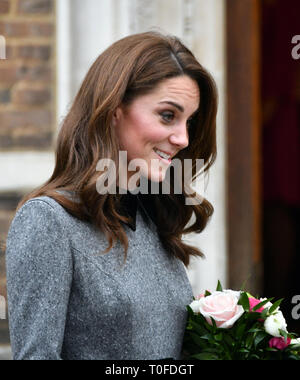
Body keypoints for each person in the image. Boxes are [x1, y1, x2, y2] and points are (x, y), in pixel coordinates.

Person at [5, 31, 218, 360]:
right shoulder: (48, 221)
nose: (183, 138)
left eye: (189, 121)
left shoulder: (152, 220)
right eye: (168, 115)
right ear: (114, 109)